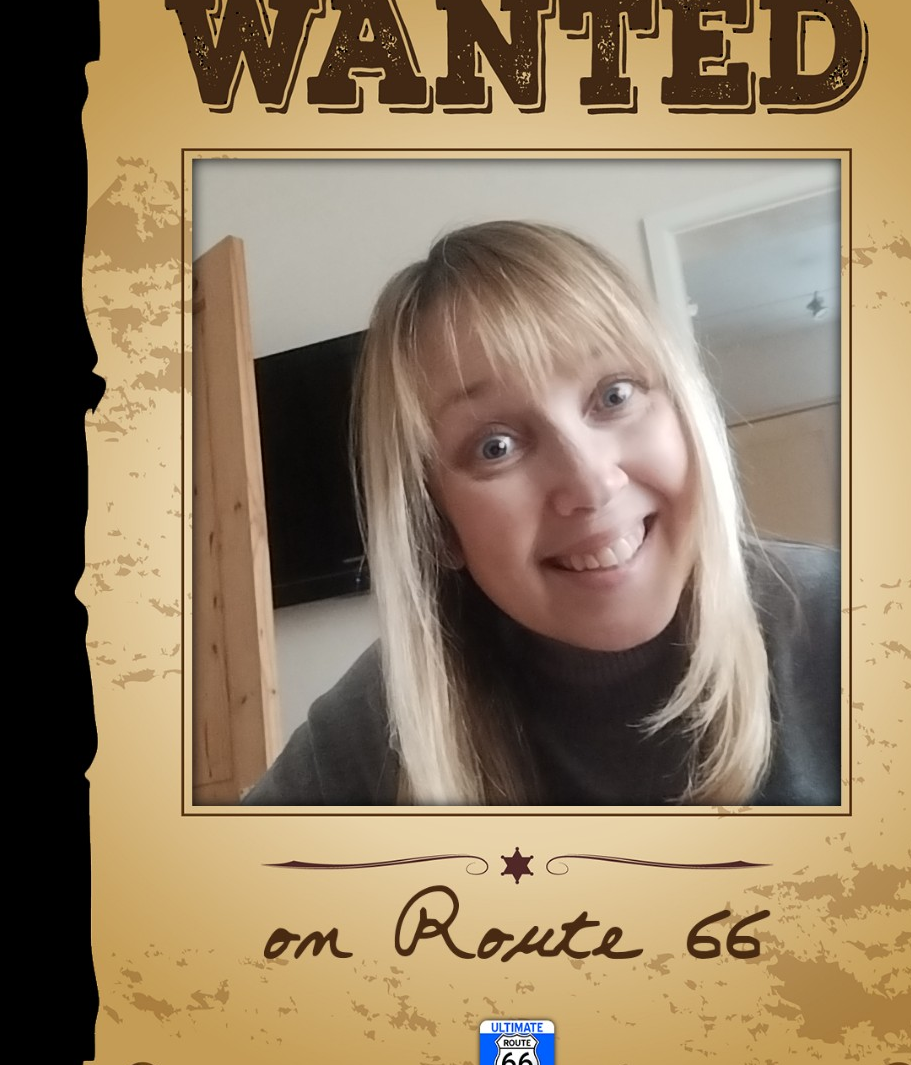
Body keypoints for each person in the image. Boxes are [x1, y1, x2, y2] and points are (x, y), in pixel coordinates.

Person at [244, 221, 840, 807]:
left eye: (614, 395)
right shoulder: (380, 722)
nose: (591, 484)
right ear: (437, 526)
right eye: (495, 446)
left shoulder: (845, 623)